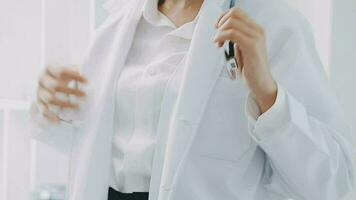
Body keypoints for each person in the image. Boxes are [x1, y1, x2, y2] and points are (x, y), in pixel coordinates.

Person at [30, 0, 355, 200]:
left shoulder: (274, 25)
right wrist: (51, 104)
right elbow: (99, 150)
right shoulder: (119, 21)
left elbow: (334, 181)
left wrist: (268, 95)